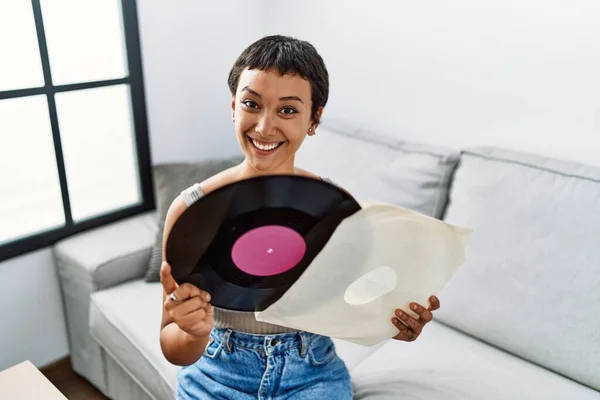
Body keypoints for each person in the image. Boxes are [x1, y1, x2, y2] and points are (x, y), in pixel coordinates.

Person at [158, 35, 441, 400]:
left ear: (314, 118)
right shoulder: (190, 209)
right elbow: (171, 344)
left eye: (287, 110)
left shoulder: (334, 209)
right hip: (214, 378)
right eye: (251, 104)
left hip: (313, 378)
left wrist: (394, 321)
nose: (263, 127)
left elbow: (354, 305)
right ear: (233, 107)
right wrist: (191, 333)